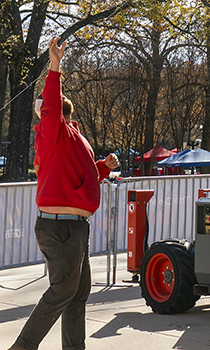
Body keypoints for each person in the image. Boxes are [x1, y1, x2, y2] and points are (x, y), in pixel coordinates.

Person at [9, 37, 119, 350]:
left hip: (74, 226)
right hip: (60, 227)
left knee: (77, 293)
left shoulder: (74, 138)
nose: (50, 110)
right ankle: (22, 347)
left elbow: (77, 179)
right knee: (62, 291)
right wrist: (55, 65)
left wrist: (102, 168)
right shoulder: (49, 131)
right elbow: (52, 107)